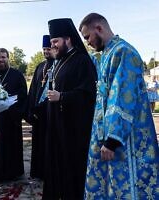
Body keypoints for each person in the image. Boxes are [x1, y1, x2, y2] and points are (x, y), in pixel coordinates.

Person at [79, 13, 159, 199]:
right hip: (107, 133)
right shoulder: (107, 53)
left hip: (126, 137)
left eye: (87, 37)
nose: (88, 42)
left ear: (99, 28)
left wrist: (112, 140)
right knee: (111, 185)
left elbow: (122, 97)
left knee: (129, 186)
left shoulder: (123, 52)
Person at [42, 18, 97, 199]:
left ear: (68, 39)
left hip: (74, 129)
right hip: (58, 125)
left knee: (72, 169)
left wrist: (62, 96)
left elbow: (88, 93)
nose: (53, 46)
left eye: (55, 41)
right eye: (51, 43)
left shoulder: (82, 61)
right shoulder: (60, 61)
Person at [0, 48, 27, 183]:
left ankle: (10, 173)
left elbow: (23, 95)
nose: (0, 60)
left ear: (8, 58)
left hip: (10, 119)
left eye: (3, 57)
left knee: (9, 147)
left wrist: (11, 107)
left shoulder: (17, 75)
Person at [25, 35, 54, 180]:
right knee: (38, 144)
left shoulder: (58, 65)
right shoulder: (40, 66)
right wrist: (30, 110)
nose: (46, 52)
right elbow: (33, 91)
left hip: (50, 113)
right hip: (37, 114)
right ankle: (37, 171)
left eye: (48, 49)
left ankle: (48, 172)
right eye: (44, 49)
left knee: (49, 144)